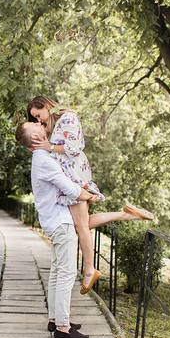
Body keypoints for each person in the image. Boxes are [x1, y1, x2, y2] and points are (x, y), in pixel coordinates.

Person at [26, 96, 154, 296]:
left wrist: (49, 147)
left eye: (38, 115)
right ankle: (126, 214)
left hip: (74, 176)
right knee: (81, 223)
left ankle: (89, 269)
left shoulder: (68, 117)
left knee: (80, 226)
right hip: (70, 176)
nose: (39, 120)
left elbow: (74, 150)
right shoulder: (58, 123)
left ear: (47, 106)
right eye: (35, 119)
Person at [15, 120, 96, 338]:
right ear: (34, 138)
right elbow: (69, 188)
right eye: (35, 124)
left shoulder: (42, 158)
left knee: (57, 270)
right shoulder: (44, 160)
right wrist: (90, 195)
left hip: (53, 221)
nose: (40, 124)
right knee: (67, 273)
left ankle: (55, 320)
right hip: (60, 222)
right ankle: (63, 327)